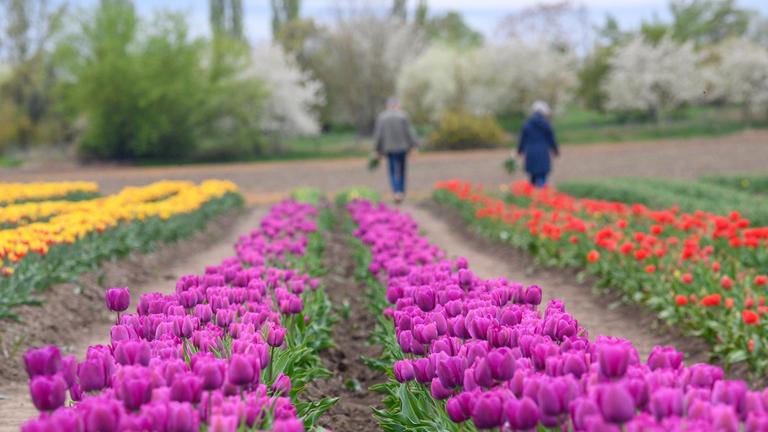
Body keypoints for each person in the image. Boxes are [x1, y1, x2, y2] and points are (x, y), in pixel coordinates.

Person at [373, 97, 420, 203]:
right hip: (403, 148)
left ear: (388, 105)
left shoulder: (382, 117)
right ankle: (401, 192)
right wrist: (414, 146)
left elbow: (378, 135)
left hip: (389, 148)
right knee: (402, 170)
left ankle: (396, 192)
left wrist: (376, 149)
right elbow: (410, 132)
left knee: (393, 171)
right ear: (397, 105)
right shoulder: (403, 116)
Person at [517, 101, 559, 188]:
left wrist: (520, 151)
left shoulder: (527, 124)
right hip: (543, 152)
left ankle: (533, 197)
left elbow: (522, 140)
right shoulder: (546, 124)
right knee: (542, 176)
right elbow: (551, 139)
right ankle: (542, 196)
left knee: (533, 178)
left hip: (531, 152)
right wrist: (555, 150)